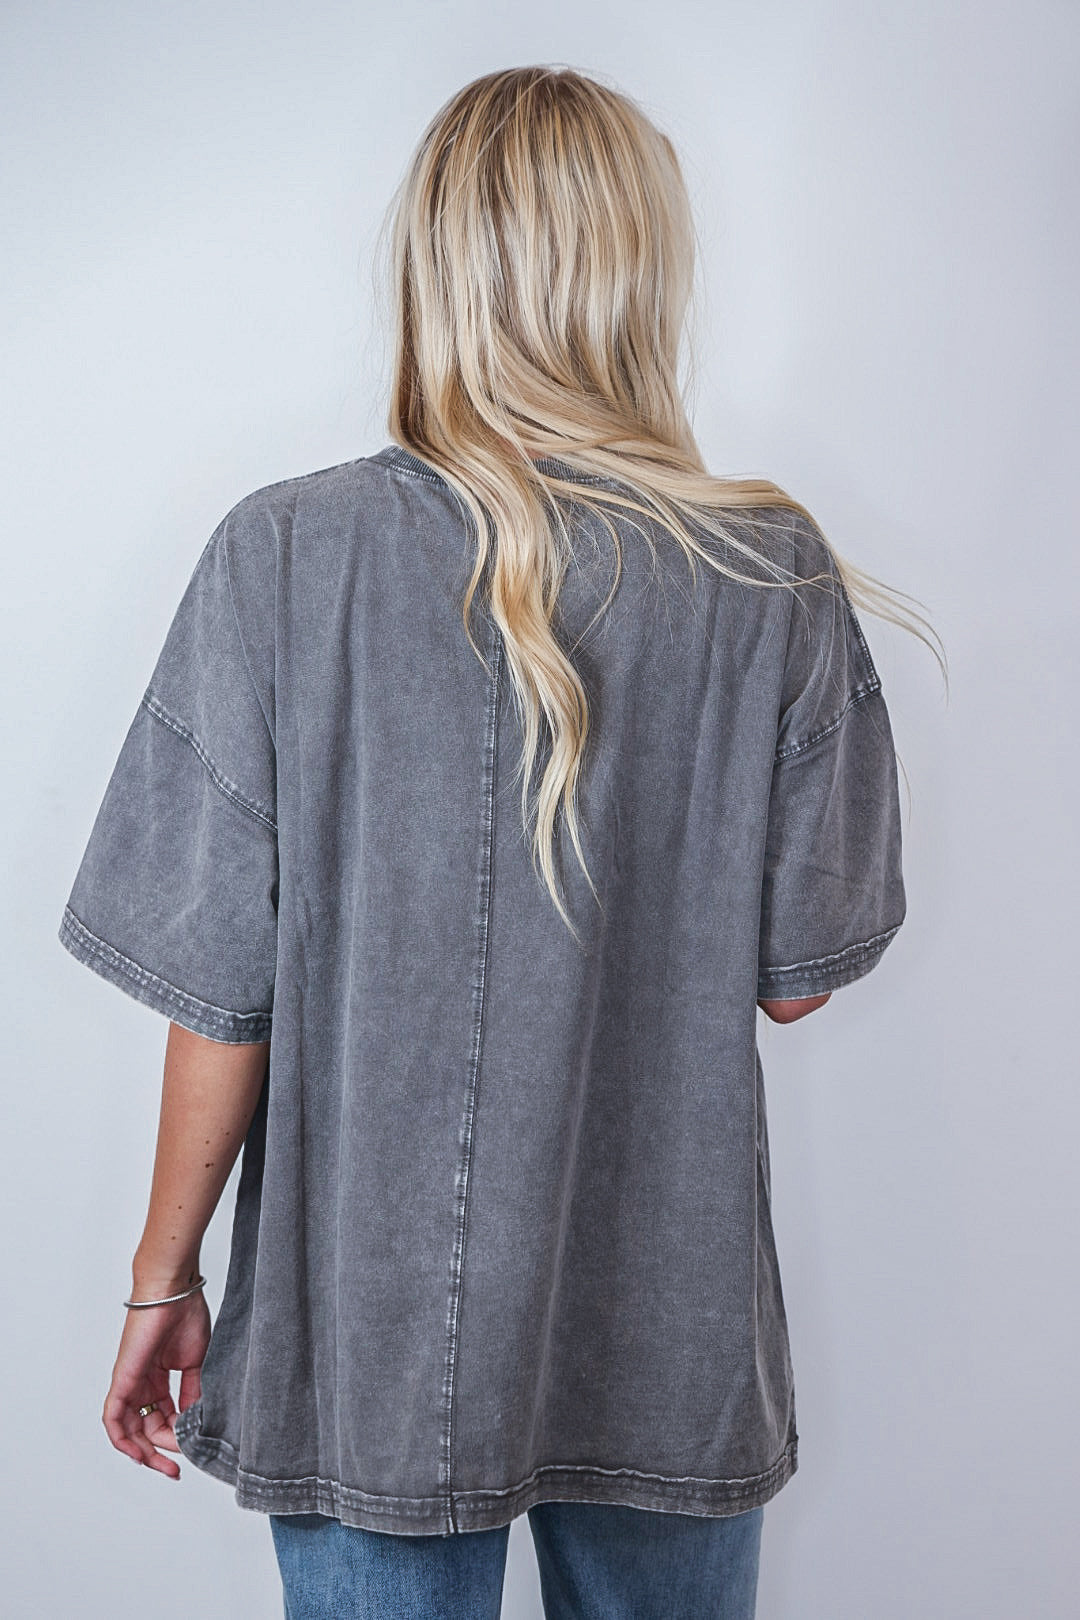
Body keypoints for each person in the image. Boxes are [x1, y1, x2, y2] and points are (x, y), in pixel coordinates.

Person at [58, 64, 940, 1620]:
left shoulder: (283, 555)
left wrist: (162, 1278)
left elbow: (221, 995)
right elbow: (797, 979)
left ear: (436, 266)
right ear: (639, 272)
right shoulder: (769, 570)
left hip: (369, 1337)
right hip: (661, 1325)